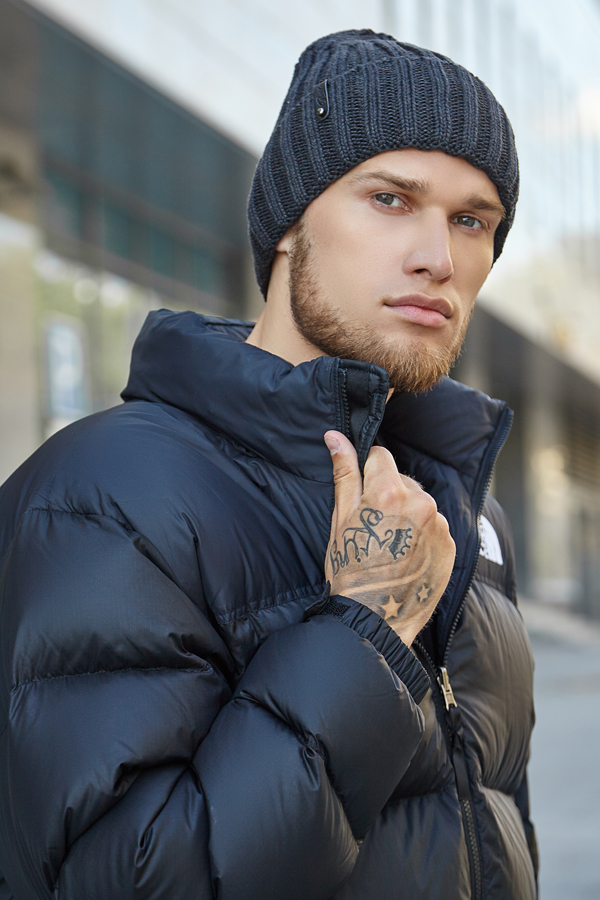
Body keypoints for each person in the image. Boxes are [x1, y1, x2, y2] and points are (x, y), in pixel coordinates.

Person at [0, 29, 537, 900]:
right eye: (390, 198)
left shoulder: (461, 509)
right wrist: (365, 636)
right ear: (289, 223)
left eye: (472, 220)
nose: (438, 258)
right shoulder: (102, 495)